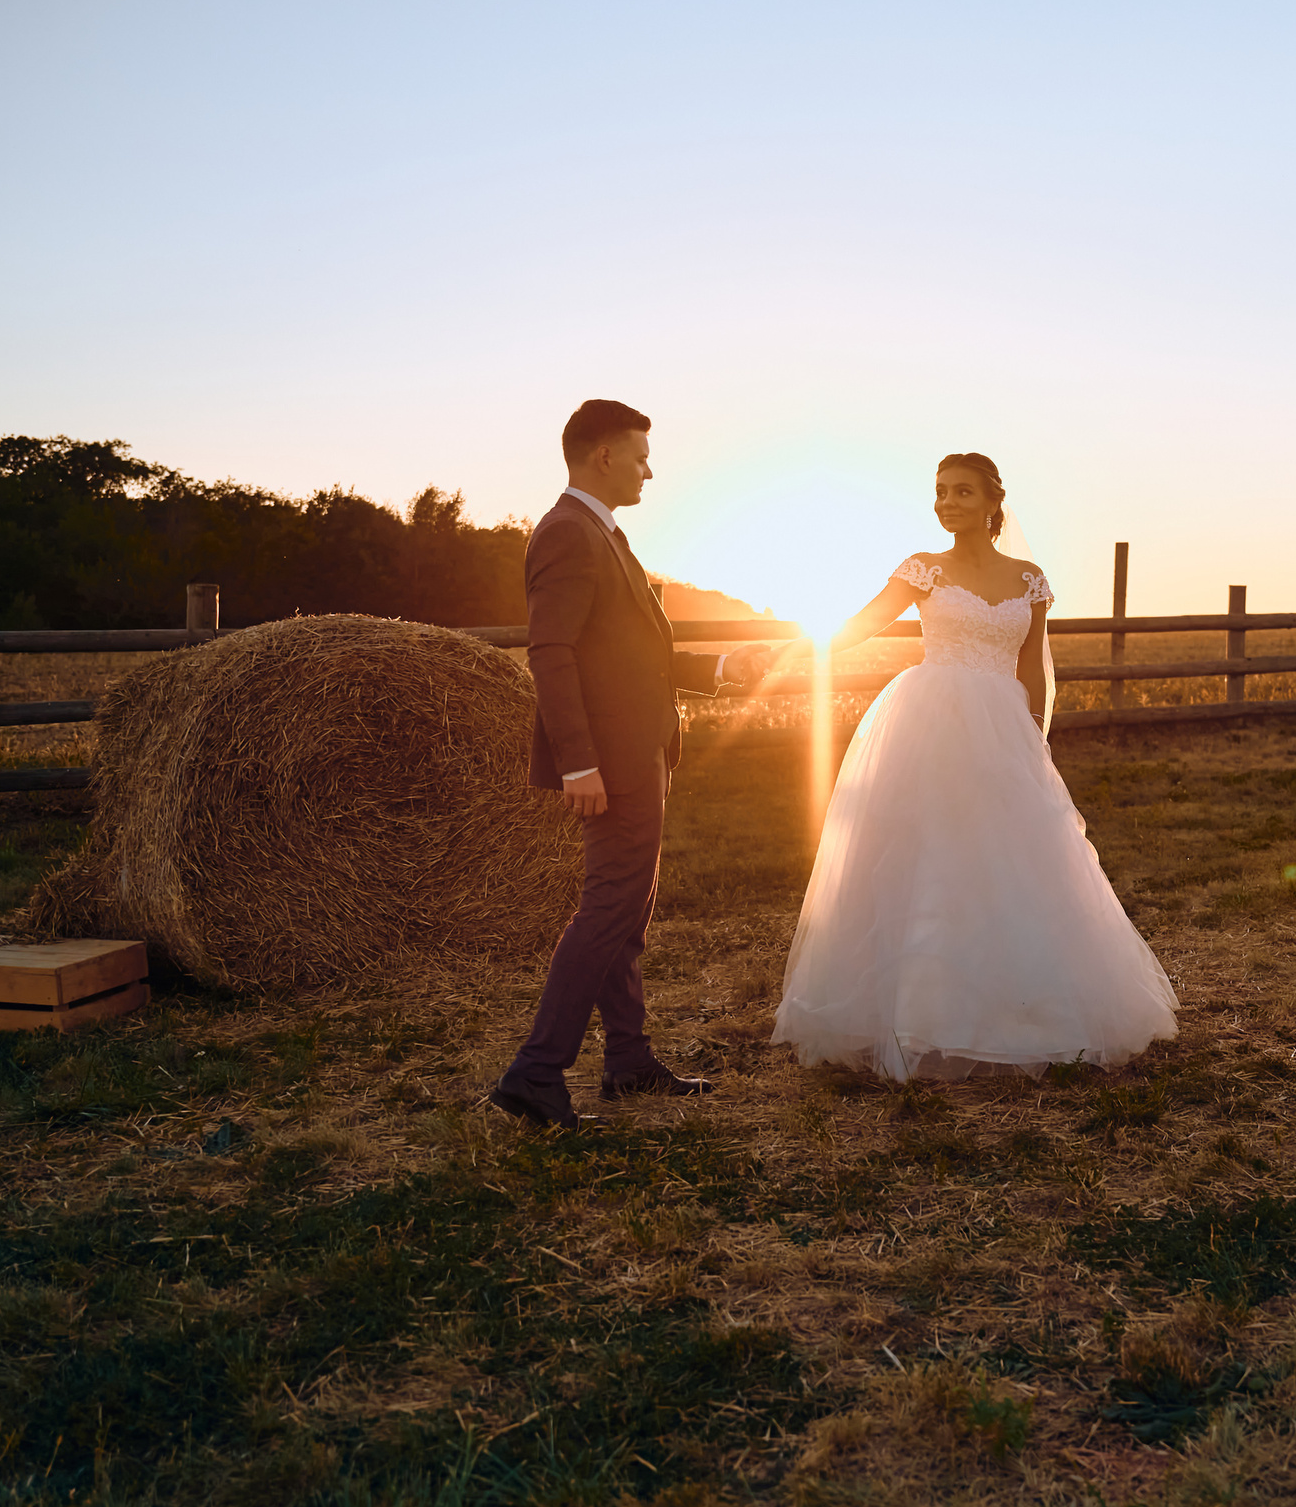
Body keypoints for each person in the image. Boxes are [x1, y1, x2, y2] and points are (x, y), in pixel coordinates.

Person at [770, 452, 1177, 1081]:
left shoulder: (1030, 579)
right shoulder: (923, 569)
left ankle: (1021, 1011)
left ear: (994, 501)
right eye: (939, 492)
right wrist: (795, 648)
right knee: (930, 854)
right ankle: (917, 1015)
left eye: (961, 492)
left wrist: (1035, 739)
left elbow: (1031, 668)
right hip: (929, 721)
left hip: (1002, 727)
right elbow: (864, 624)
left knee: (1010, 856)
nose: (946, 503)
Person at [486, 399, 776, 1127]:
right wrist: (579, 762)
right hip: (609, 762)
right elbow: (550, 651)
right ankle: (536, 1069)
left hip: (637, 752)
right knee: (611, 904)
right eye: (641, 454)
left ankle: (627, 1060)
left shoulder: (601, 532)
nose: (651, 467)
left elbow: (626, 655)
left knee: (628, 908)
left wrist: (718, 671)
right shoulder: (568, 533)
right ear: (602, 456)